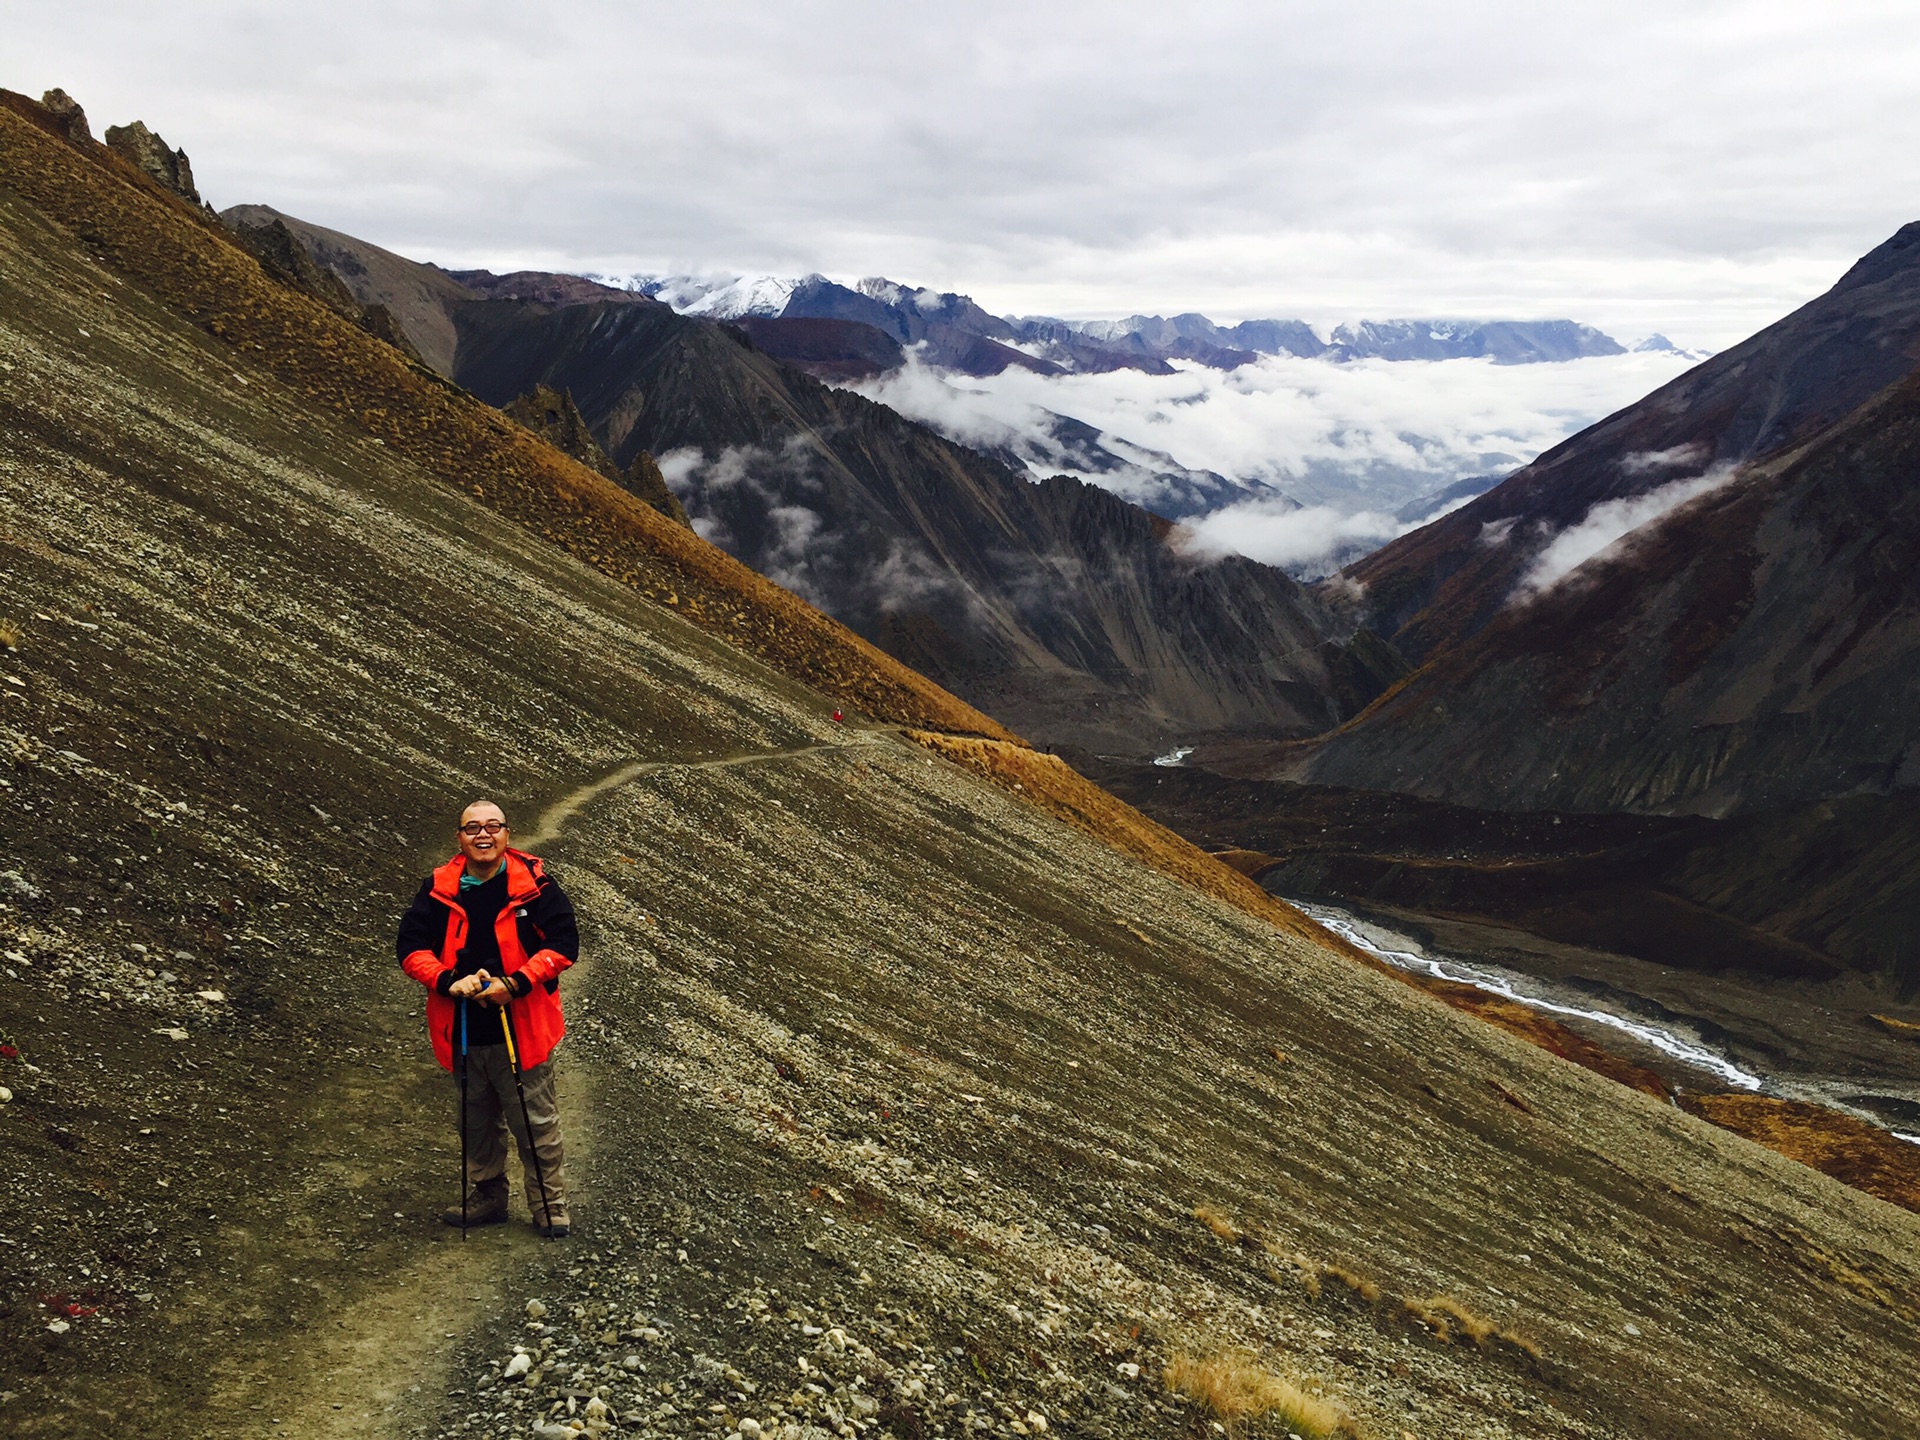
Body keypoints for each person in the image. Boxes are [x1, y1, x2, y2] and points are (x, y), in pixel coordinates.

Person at [396, 799, 578, 1237]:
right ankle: (489, 1195)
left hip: (523, 1027)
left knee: (535, 1124)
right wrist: (446, 981)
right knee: (475, 1121)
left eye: (493, 826)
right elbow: (410, 947)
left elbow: (564, 944)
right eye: (473, 827)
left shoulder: (535, 887)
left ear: (507, 834)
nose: (484, 834)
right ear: (459, 837)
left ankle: (549, 1205)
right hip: (460, 1028)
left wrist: (515, 983)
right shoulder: (438, 889)